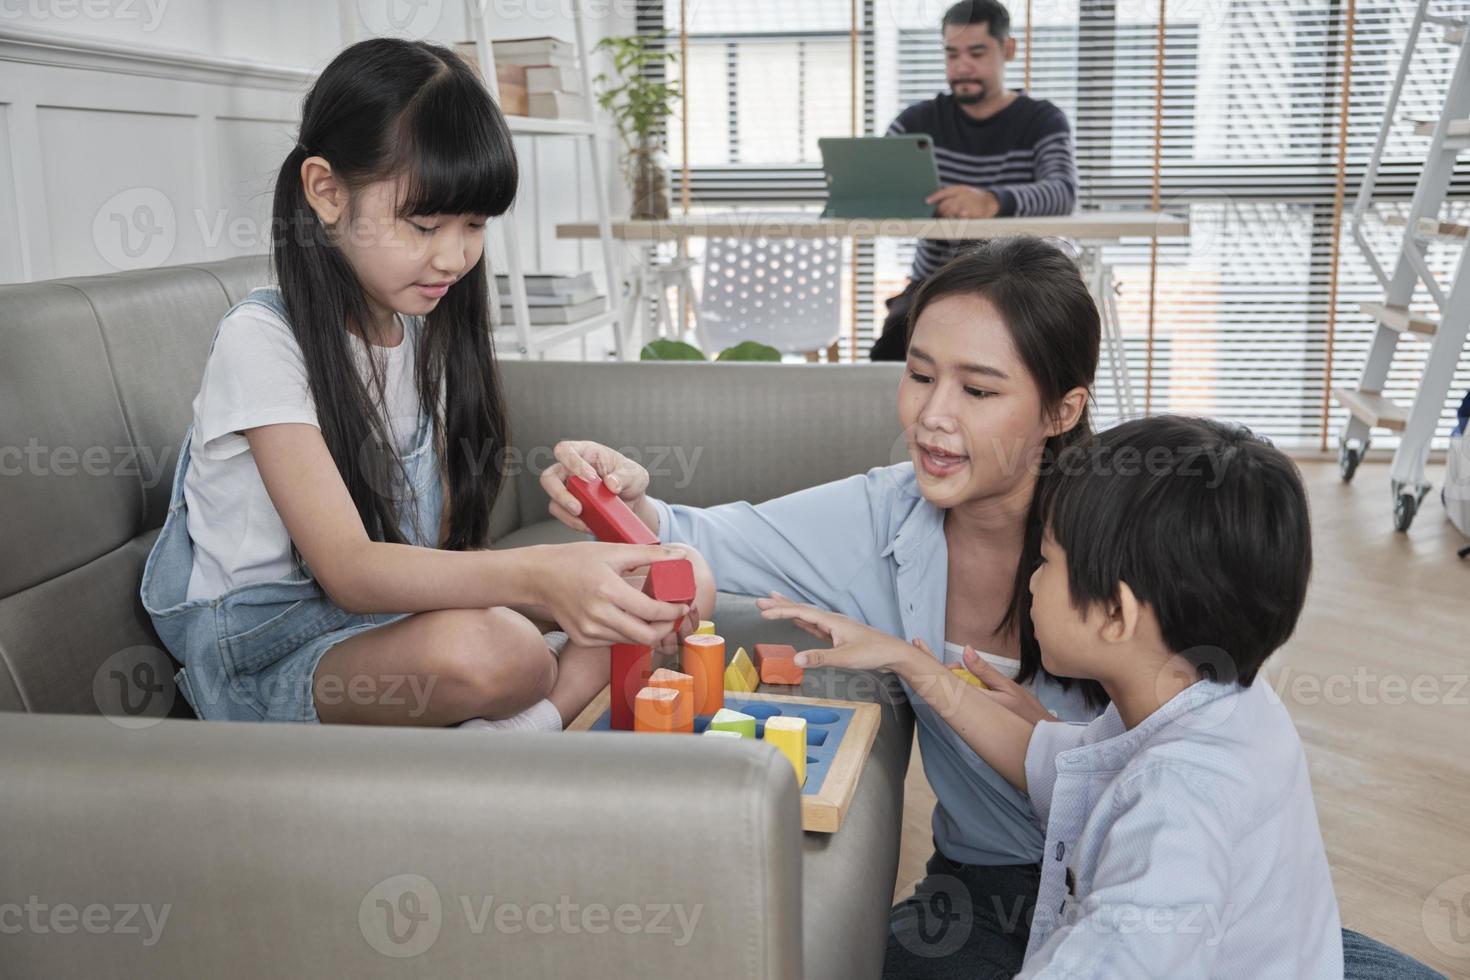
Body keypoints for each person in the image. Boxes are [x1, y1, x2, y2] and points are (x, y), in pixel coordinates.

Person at [141, 37, 709, 729]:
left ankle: (510, 735)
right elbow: (349, 570)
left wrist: (598, 524)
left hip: (390, 625)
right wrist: (541, 575)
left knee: (677, 577)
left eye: (472, 225)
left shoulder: (418, 328)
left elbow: (434, 556)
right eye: (424, 223)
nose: (454, 255)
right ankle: (528, 724)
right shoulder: (261, 339)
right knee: (500, 651)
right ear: (325, 191)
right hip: (266, 654)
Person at [757, 415, 1344, 976]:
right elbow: (1064, 768)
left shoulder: (1176, 808)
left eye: (1047, 561)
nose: (1031, 579)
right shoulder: (1220, 703)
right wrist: (911, 661)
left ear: (1116, 613)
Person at [870, 0, 1079, 362]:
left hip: (1018, 287)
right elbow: (878, 186)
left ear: (1008, 49)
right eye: (952, 54)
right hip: (933, 285)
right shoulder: (916, 122)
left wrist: (992, 202)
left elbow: (1062, 191)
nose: (962, 67)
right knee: (888, 360)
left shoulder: (1042, 120)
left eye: (977, 53)